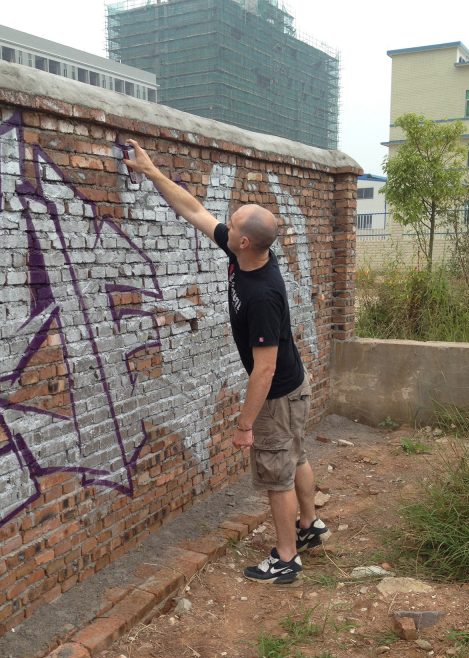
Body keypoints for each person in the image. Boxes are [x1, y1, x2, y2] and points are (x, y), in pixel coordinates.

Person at [124, 141, 330, 584]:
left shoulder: (262, 294)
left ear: (244, 240)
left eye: (232, 223)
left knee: (276, 475)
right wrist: (152, 171)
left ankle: (286, 557)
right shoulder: (244, 252)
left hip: (278, 395)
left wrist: (244, 425)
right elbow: (194, 210)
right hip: (293, 388)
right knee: (294, 456)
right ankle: (310, 525)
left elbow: (264, 370)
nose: (224, 224)